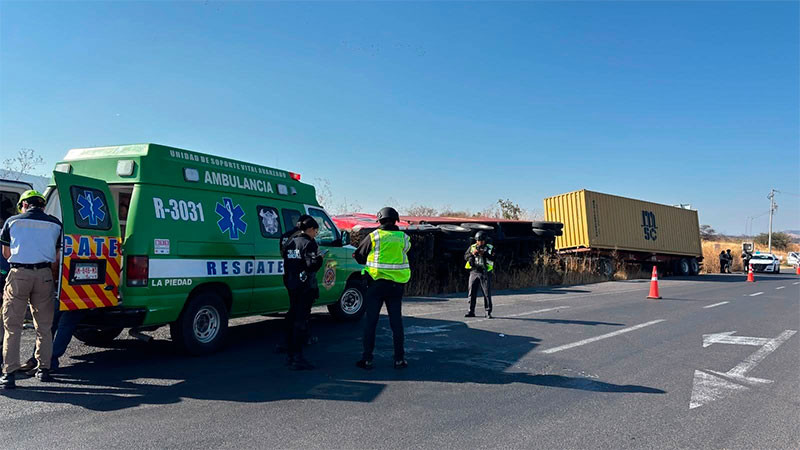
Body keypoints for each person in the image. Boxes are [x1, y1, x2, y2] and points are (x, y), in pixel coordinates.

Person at [1, 190, 62, 389]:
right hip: (44, 275)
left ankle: (9, 374)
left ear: (24, 205)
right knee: (44, 326)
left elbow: (6, 252)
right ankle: (44, 370)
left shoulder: (12, 222)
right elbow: (57, 256)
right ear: (42, 206)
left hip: (19, 275)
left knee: (13, 326)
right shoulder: (56, 224)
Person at [353, 207, 411, 370]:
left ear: (379, 220)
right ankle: (399, 359)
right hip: (396, 286)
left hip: (376, 285)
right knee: (396, 323)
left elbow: (359, 256)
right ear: (395, 220)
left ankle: (367, 359)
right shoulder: (404, 238)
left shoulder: (374, 236)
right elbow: (405, 252)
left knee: (371, 322)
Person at [281, 215, 324, 370]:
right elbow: (311, 265)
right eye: (316, 231)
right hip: (305, 286)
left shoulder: (289, 241)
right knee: (301, 319)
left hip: (291, 282)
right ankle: (297, 357)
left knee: (292, 314)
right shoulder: (308, 243)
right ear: (310, 229)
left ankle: (289, 351)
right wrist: (320, 258)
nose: (315, 234)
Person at [464, 231, 496, 318]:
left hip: (485, 272)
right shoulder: (472, 247)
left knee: (486, 293)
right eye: (478, 240)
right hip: (474, 271)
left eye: (481, 241)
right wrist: (471, 255)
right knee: (471, 292)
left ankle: (488, 312)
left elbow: (494, 258)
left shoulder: (490, 248)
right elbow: (465, 256)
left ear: (485, 241)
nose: (479, 242)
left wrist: (484, 254)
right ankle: (471, 311)